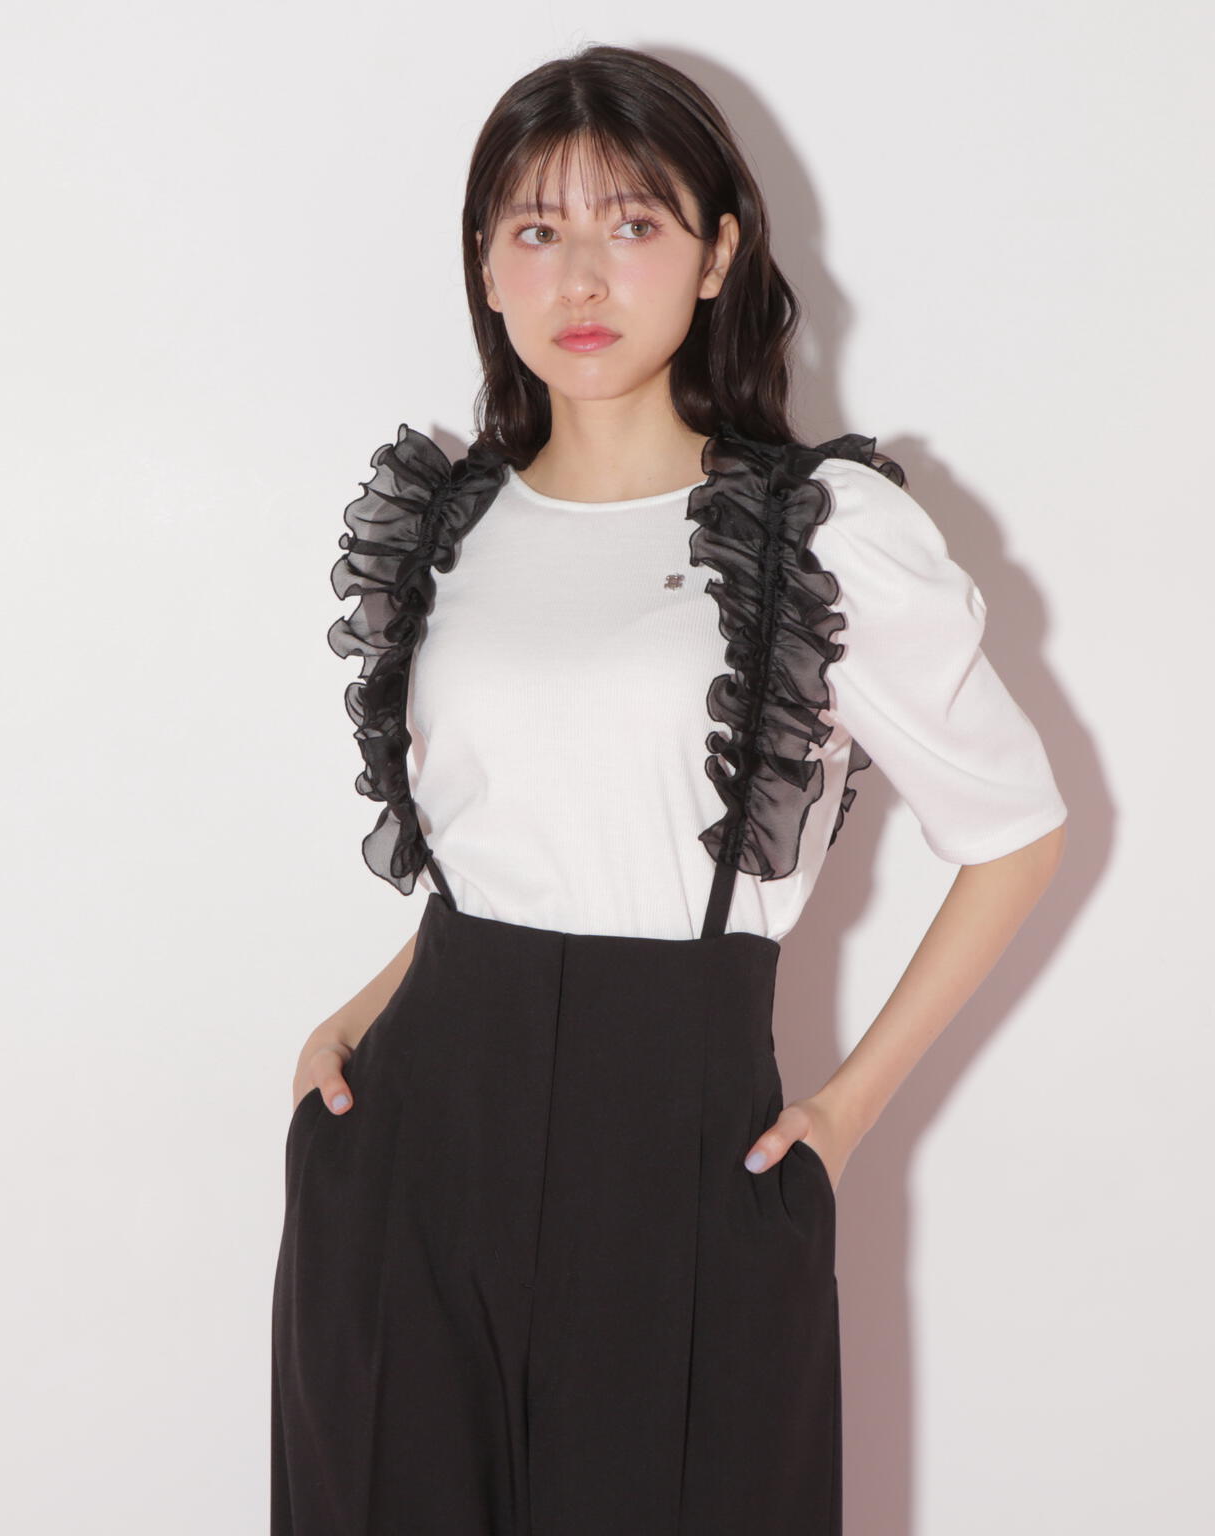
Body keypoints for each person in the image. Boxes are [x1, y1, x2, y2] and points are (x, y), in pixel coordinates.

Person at [270, 43, 1068, 1536]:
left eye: (633, 222)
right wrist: (365, 1008)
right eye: (537, 227)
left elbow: (1015, 834)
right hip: (413, 1141)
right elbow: (507, 845)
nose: (582, 273)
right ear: (487, 268)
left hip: (684, 1153)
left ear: (717, 256)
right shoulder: (449, 524)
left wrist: (843, 1116)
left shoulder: (816, 532)